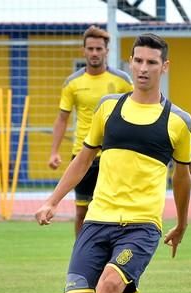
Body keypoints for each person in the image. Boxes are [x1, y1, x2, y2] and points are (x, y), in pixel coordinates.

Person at [35, 33, 191, 293]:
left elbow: (182, 177)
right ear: (130, 62)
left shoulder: (179, 121)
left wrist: (182, 224)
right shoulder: (109, 108)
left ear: (164, 67)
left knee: (109, 284)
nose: (143, 68)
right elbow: (84, 158)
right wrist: (53, 200)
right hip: (98, 219)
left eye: (152, 62)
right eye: (138, 60)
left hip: (141, 226)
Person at [49, 25, 133, 237]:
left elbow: (136, 112)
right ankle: (81, 257)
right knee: (82, 211)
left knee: (114, 211)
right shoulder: (72, 83)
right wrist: (54, 152)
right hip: (83, 154)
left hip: (113, 154)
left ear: (107, 50)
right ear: (83, 50)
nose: (94, 53)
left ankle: (110, 254)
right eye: (90, 48)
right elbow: (62, 118)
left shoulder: (122, 81)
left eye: (98, 48)